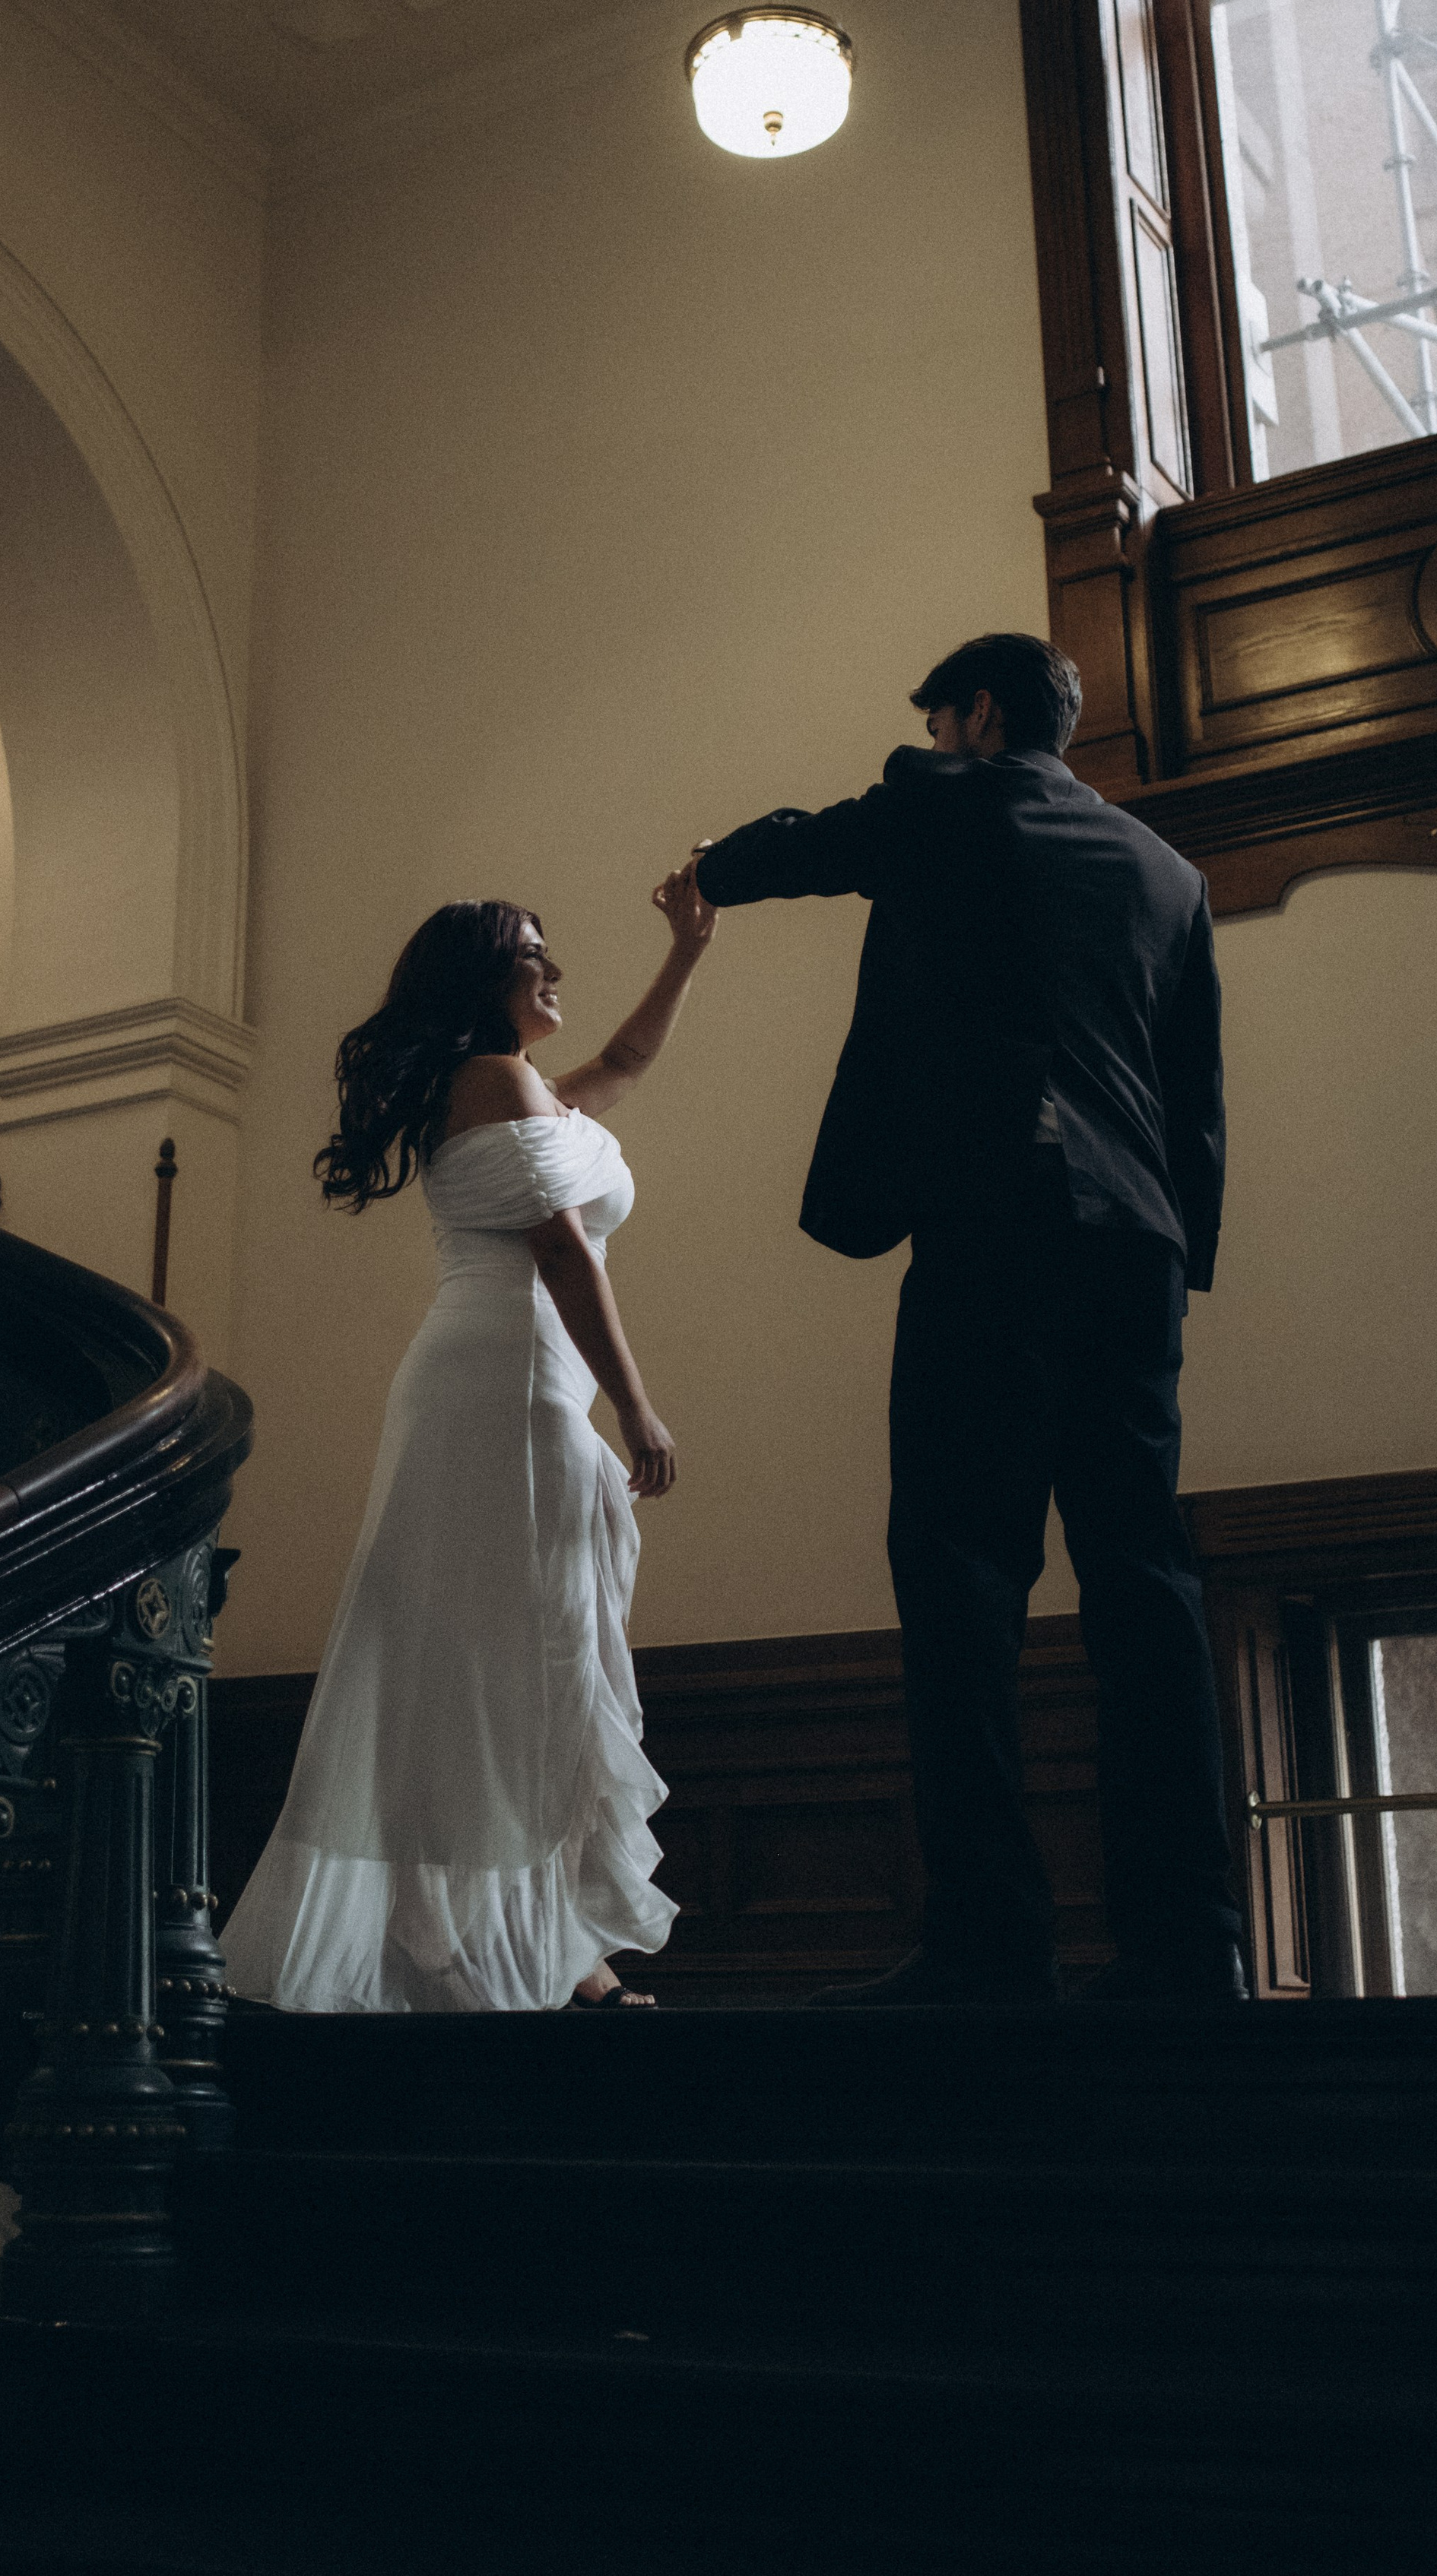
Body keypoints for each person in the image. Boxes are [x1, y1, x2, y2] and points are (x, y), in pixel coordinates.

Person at [690, 632, 1242, 2004]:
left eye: (943, 719)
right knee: (1146, 1583)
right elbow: (1197, 1098)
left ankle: (994, 1941)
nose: (937, 740)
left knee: (960, 1573)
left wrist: (703, 871)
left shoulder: (945, 801)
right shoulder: (1169, 873)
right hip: (1138, 1251)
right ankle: (1191, 1944)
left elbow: (787, 850)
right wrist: (1183, 1253)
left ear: (979, 715)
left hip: (996, 1226)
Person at [221, 872, 716, 2014]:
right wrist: (636, 1405)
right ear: (484, 979)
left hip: (507, 1386)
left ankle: (538, 1952)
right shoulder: (490, 1079)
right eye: (533, 954)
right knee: (517, 1655)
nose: (554, 972)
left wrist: (688, 949)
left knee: (506, 1656)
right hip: (500, 1387)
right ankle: (541, 1960)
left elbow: (629, 1065)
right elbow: (559, 1252)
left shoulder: (518, 1085)